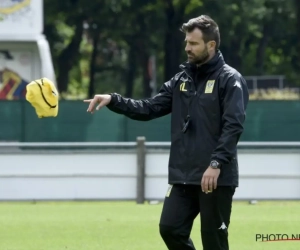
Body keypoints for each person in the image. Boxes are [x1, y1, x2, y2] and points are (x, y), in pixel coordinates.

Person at [84, 15, 249, 250]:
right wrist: (113, 100)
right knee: (170, 229)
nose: (187, 48)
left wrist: (216, 163)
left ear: (211, 45)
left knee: (214, 242)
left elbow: (233, 126)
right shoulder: (181, 79)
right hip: (183, 175)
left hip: (215, 176)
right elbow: (149, 108)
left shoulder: (230, 79)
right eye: (186, 42)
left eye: (193, 43)